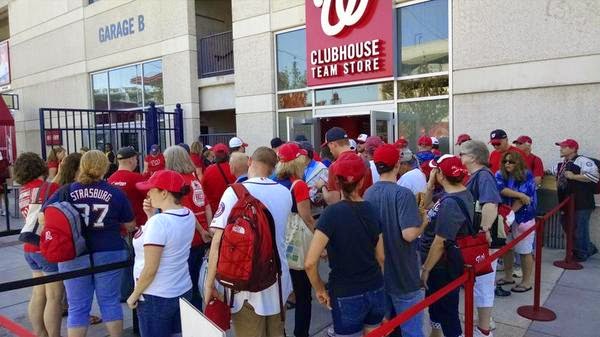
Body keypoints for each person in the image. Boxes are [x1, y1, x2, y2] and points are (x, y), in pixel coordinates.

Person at [44, 150, 136, 337]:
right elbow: (130, 224)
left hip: (74, 252)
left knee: (77, 306)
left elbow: (44, 216)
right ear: (104, 167)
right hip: (109, 249)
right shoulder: (115, 192)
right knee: (109, 301)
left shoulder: (66, 191)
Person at [204, 147, 293, 337]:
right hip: (278, 278)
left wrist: (209, 284)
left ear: (250, 161)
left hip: (243, 281)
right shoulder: (285, 193)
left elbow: (217, 242)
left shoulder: (234, 192)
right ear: (273, 167)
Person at [305, 154, 385, 337]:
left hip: (345, 292)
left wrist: (319, 290)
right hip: (375, 287)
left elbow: (310, 262)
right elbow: (381, 257)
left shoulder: (331, 214)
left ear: (336, 182)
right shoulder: (372, 209)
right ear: (362, 180)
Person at [364, 144, 428, 337]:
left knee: (385, 329)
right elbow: (409, 234)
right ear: (397, 165)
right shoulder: (402, 194)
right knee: (412, 331)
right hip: (404, 275)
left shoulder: (369, 193)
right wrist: (424, 221)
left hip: (380, 275)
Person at [127, 170, 196, 337]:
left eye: (152, 189)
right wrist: (151, 216)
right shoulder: (188, 214)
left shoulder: (160, 222)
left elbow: (151, 268)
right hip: (182, 288)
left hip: (156, 295)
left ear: (164, 193)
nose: (148, 192)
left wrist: (134, 295)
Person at [420, 155, 473, 337]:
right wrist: (430, 185)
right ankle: (436, 332)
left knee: (448, 309)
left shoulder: (451, 202)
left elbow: (440, 241)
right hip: (440, 263)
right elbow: (427, 206)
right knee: (436, 303)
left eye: (436, 170)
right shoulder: (453, 193)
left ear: (441, 174)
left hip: (442, 264)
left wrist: (426, 268)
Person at [15, 153, 63, 337]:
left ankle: (40, 333)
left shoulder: (24, 191)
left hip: (29, 246)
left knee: (38, 294)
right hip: (46, 247)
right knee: (54, 297)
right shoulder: (50, 188)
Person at [460, 140, 503, 336]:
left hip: (482, 241)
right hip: (476, 240)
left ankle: (484, 330)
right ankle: (484, 323)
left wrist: (484, 229)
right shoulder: (476, 175)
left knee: (484, 284)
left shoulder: (483, 176)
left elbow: (490, 204)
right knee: (480, 284)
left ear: (474, 157)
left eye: (462, 154)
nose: (460, 157)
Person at [275, 143, 316, 337]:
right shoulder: (298, 185)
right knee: (303, 295)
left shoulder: (273, 181)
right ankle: (301, 334)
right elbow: (307, 218)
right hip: (295, 247)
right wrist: (319, 242)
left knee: (280, 295)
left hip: (276, 245)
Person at [164, 145, 213, 309]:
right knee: (198, 278)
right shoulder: (193, 178)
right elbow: (206, 205)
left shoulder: (177, 181)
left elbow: (186, 210)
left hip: (190, 236)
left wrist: (201, 230)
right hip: (202, 235)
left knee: (189, 283)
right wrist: (209, 228)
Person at [108, 147, 148, 303]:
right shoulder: (137, 178)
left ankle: (123, 292)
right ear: (131, 160)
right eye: (136, 159)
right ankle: (132, 291)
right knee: (137, 261)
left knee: (123, 264)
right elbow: (151, 198)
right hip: (137, 227)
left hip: (118, 228)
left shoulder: (110, 179)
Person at [495, 152, 537, 293]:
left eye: (511, 161)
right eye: (505, 161)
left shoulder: (527, 175)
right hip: (506, 217)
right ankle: (508, 277)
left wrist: (511, 213)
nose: (507, 163)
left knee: (525, 251)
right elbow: (501, 189)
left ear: (518, 162)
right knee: (507, 249)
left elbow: (525, 200)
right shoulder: (500, 174)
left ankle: (526, 282)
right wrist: (520, 194)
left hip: (523, 218)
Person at [553, 139, 599, 261]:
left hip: (582, 202)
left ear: (573, 149)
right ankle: (587, 248)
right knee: (568, 227)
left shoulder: (583, 161)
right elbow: (553, 172)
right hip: (566, 203)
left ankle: (582, 253)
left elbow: (594, 177)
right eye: (561, 146)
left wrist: (574, 176)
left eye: (564, 146)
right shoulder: (563, 163)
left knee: (580, 229)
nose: (561, 148)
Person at [321, 127, 373, 205]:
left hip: (344, 212)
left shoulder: (334, 166)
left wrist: (322, 187)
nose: (330, 150)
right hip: (364, 210)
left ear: (332, 144)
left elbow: (333, 201)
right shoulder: (364, 162)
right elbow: (369, 192)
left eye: (328, 146)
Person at [201, 143, 235, 213]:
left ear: (215, 155)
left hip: (214, 210)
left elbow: (203, 189)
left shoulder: (208, 170)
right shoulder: (234, 168)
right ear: (227, 154)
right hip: (231, 208)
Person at [298, 141, 328, 208]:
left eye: (299, 154)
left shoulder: (321, 168)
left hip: (316, 212)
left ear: (306, 154)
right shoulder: (298, 167)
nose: (297, 156)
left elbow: (327, 191)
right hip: (300, 208)